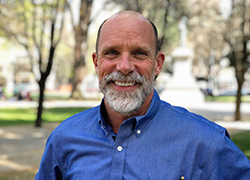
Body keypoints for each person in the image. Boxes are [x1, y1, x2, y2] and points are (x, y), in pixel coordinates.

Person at [35, 11, 250, 179]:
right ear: (96, 62)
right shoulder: (64, 139)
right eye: (112, 52)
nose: (125, 66)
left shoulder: (206, 143)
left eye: (139, 53)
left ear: (157, 64)